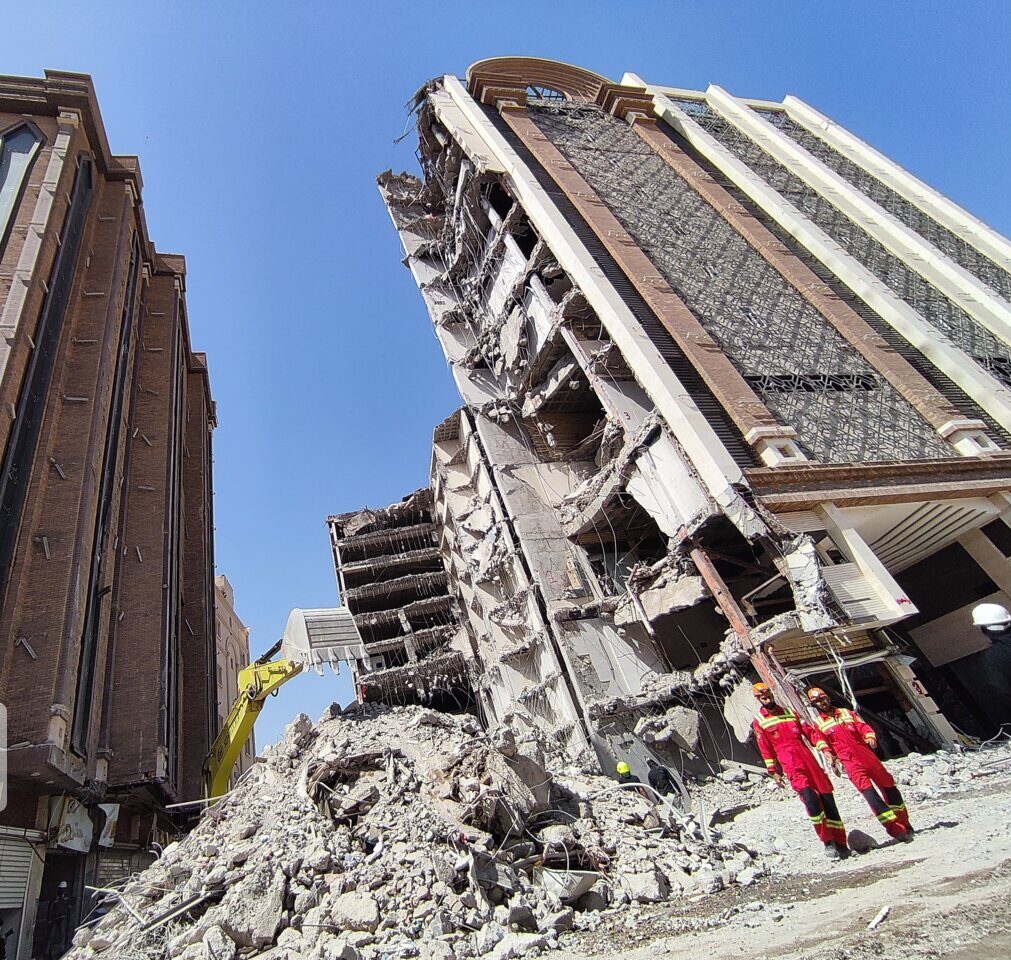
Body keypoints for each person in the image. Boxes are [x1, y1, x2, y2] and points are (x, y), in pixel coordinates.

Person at [751, 682, 849, 860]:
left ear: (771, 694)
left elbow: (810, 733)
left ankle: (841, 843)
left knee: (828, 800)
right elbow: (765, 748)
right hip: (791, 766)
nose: (766, 698)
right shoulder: (760, 721)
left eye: (767, 694)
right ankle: (827, 842)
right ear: (758, 699)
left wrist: (826, 750)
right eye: (761, 697)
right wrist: (773, 771)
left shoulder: (790, 713)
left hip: (809, 762)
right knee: (811, 801)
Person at [806, 687, 913, 842]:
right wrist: (828, 753)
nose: (821, 703)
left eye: (822, 698)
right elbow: (821, 741)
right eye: (817, 701)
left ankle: (905, 824)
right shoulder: (819, 724)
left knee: (890, 789)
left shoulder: (846, 713)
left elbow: (863, 726)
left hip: (868, 757)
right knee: (871, 796)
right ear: (814, 705)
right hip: (851, 763)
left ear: (828, 697)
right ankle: (896, 830)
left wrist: (870, 737)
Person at [47, 880, 73, 959]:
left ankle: (62, 948)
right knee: (51, 935)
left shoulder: (66, 897)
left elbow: (69, 906)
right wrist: (49, 919)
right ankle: (47, 950)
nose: (62, 891)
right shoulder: (55, 898)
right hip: (55, 918)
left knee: (62, 934)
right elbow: (50, 908)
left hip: (62, 917)